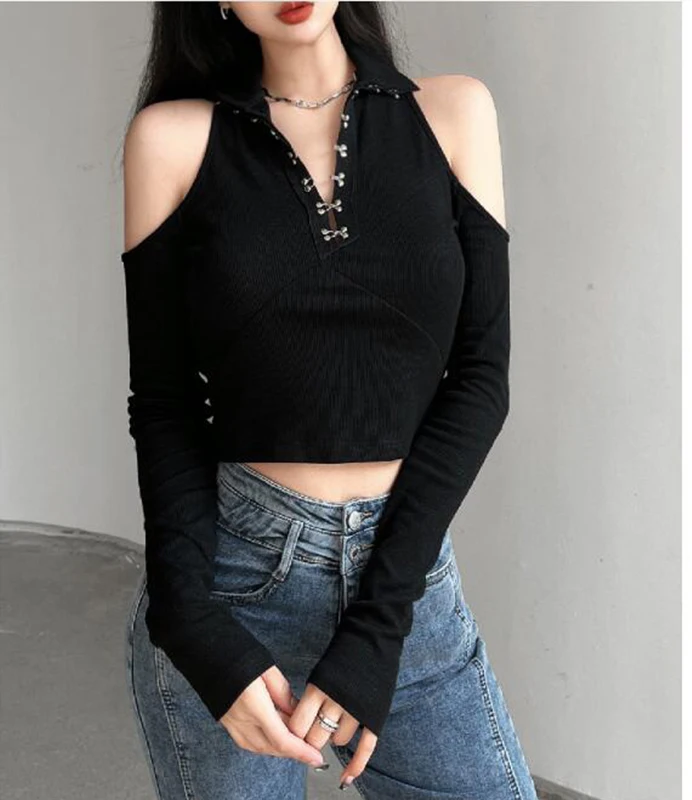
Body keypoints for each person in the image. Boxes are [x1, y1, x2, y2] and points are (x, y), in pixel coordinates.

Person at [122, 2, 538, 798]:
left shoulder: (453, 113)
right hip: (235, 584)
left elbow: (481, 378)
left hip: (405, 585)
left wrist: (380, 626)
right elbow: (165, 401)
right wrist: (190, 623)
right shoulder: (173, 139)